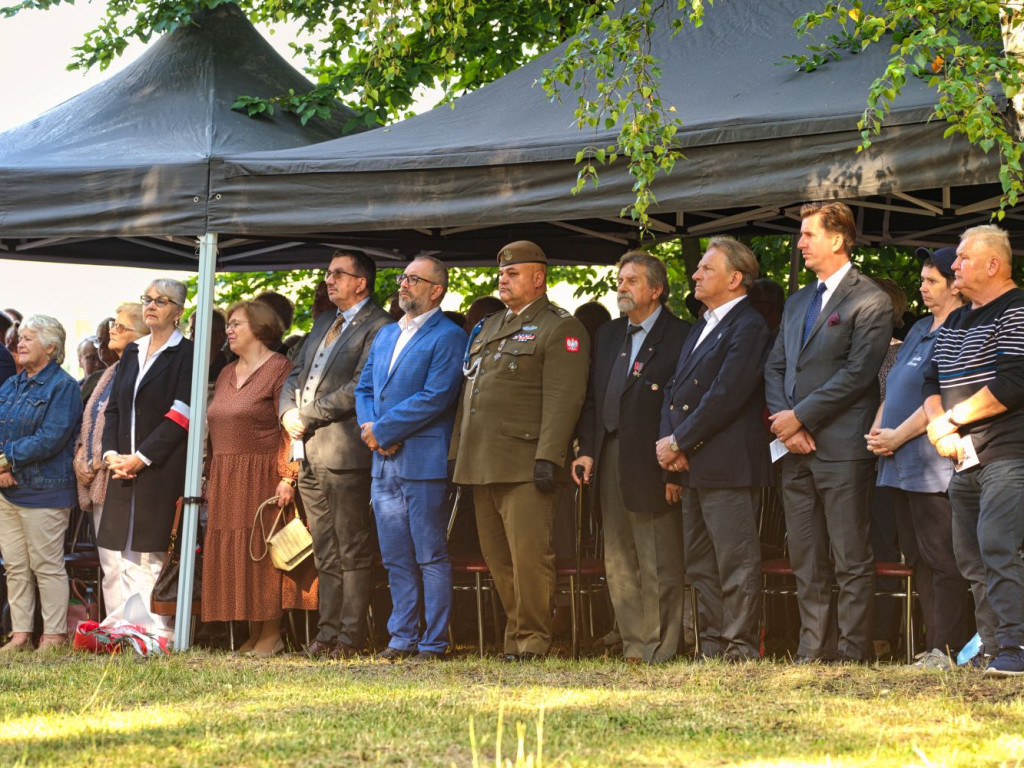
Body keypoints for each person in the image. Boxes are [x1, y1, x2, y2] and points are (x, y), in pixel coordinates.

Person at [764, 201, 893, 663]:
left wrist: (802, 417)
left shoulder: (870, 299)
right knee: (806, 556)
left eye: (808, 235)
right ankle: (811, 650)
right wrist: (785, 422)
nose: (800, 243)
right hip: (794, 448)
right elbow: (776, 365)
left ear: (838, 239)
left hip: (840, 449)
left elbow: (859, 374)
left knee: (849, 556)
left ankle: (853, 651)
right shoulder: (798, 299)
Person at [451, 240, 590, 661]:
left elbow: (565, 399)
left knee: (530, 557)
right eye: (502, 274)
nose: (504, 279)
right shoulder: (489, 326)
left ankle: (533, 639)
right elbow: (469, 394)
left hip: (525, 462)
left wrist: (550, 456)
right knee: (498, 559)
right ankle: (515, 634)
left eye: (513, 273)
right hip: (481, 461)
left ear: (538, 278)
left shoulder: (560, 327)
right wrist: (459, 452)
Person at [657, 237, 772, 662]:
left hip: (729, 464)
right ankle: (711, 646)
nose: (695, 274)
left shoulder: (749, 326)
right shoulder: (703, 323)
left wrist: (678, 440)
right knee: (701, 562)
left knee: (735, 562)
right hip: (693, 463)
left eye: (706, 268)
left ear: (735, 278)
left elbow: (727, 394)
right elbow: (674, 389)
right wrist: (674, 444)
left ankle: (740, 647)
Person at [573, 250, 689, 664]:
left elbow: (682, 405)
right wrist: (587, 450)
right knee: (618, 557)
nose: (621, 287)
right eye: (620, 280)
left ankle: (661, 646)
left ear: (656, 290)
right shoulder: (607, 334)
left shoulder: (681, 336)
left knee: (657, 556)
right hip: (608, 455)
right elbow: (591, 400)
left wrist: (677, 467)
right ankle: (634, 644)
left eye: (632, 281)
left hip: (655, 459)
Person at [280, 251, 393, 659]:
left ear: (361, 282)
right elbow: (294, 373)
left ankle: (350, 636)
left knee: (352, 547)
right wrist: (287, 412)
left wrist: (306, 414)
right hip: (307, 451)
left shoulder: (380, 325)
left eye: (337, 274)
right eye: (327, 273)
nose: (329, 280)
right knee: (324, 547)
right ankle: (326, 634)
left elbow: (359, 387)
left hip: (344, 452)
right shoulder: (325, 321)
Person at [923, 225, 1024, 677]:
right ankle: (991, 646)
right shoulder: (957, 319)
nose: (954, 265)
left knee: (999, 545)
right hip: (963, 457)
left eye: (963, 258)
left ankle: (1017, 645)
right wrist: (937, 428)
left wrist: (952, 420)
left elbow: (1012, 385)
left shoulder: (1018, 309)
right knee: (970, 556)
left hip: (1009, 453)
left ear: (993, 264)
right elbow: (931, 381)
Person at [355, 256, 465, 661]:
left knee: (429, 554)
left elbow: (437, 396)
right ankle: (401, 637)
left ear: (436, 290)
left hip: (423, 460)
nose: (403, 285)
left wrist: (384, 430)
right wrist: (371, 430)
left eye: (413, 280)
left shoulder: (449, 336)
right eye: (402, 277)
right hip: (382, 462)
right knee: (396, 556)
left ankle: (433, 642)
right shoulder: (386, 334)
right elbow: (364, 388)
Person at [866, 247, 971, 665]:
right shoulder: (920, 328)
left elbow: (942, 398)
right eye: (922, 280)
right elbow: (895, 385)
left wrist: (896, 435)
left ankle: (949, 649)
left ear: (955, 286)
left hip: (932, 463)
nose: (922, 288)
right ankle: (932, 648)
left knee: (942, 558)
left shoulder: (961, 327)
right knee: (919, 560)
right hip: (896, 463)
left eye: (931, 281)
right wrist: (878, 429)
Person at [203, 300, 315, 656]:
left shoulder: (280, 368)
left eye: (237, 324)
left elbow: (290, 429)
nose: (229, 330)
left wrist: (288, 476)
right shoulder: (225, 373)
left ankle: (272, 634)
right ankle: (254, 632)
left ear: (261, 327)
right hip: (226, 476)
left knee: (265, 553)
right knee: (241, 554)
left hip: (263, 475)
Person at [100, 278, 194, 639]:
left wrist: (142, 457)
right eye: (148, 299)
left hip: (160, 466)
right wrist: (112, 454)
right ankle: (129, 628)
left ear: (178, 311)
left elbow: (182, 412)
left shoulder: (185, 353)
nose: (151, 305)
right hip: (122, 466)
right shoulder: (133, 351)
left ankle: (157, 633)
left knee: (152, 553)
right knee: (123, 553)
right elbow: (115, 410)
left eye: (161, 300)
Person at [0, 315, 83, 651]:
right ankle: (20, 634)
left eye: (29, 337)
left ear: (51, 346)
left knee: (46, 566)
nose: (20, 342)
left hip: (45, 491)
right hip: (8, 489)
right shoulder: (12, 384)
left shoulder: (64, 387)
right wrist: (3, 467)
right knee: (16, 567)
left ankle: (54, 635)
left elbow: (50, 438)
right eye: (19, 336)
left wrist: (5, 459)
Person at [74, 303, 149, 614]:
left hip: (125, 474)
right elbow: (89, 421)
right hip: (97, 479)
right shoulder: (108, 373)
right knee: (109, 563)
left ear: (141, 335)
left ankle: (136, 630)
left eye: (120, 327)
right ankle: (115, 629)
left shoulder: (143, 370)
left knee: (132, 563)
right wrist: (80, 454)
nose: (110, 333)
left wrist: (102, 461)